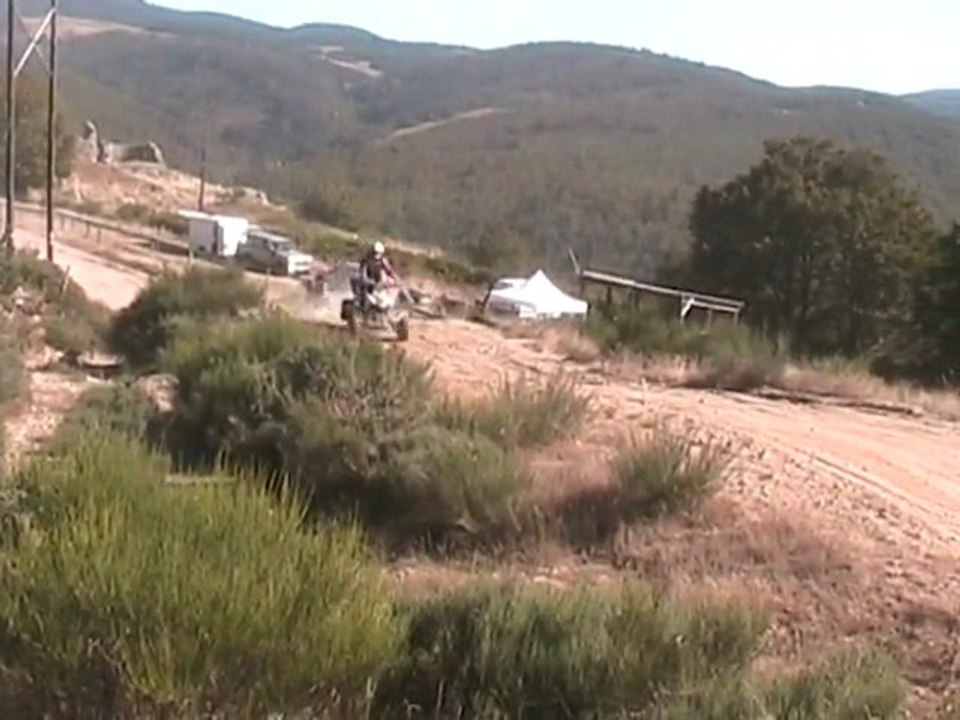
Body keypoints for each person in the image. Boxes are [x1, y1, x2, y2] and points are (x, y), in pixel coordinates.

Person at [356, 241, 399, 311]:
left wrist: (395, 278)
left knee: (384, 300)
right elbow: (363, 272)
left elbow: (389, 270)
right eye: (376, 253)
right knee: (384, 302)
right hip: (370, 284)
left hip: (374, 284)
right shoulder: (368, 260)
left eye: (378, 253)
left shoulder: (379, 260)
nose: (377, 255)